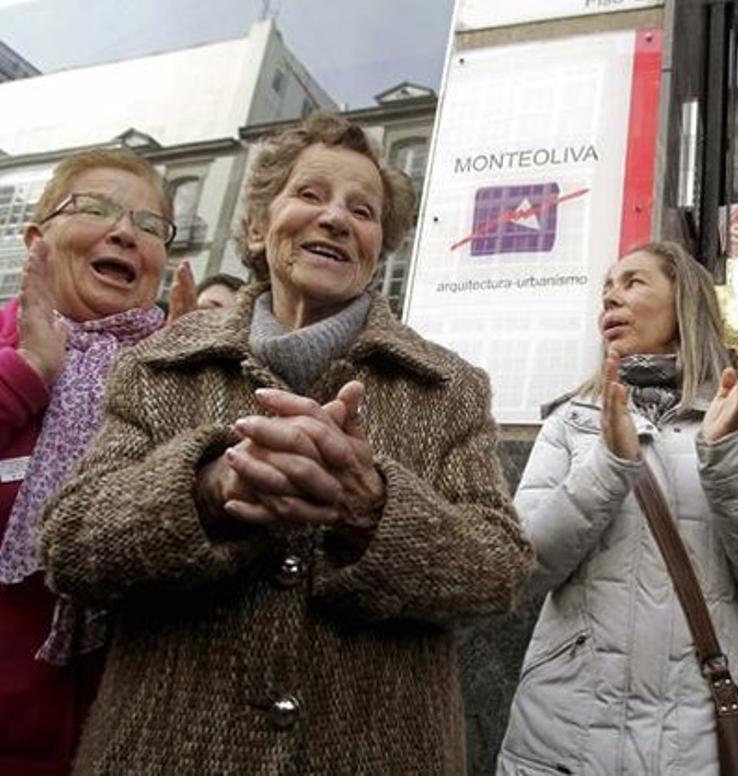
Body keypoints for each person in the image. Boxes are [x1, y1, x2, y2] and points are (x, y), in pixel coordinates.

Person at [38, 111, 533, 775]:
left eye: (362, 210)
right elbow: (72, 547)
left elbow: (498, 571)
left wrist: (374, 509)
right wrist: (209, 491)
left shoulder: (447, 388)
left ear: (378, 246)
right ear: (255, 226)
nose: (335, 218)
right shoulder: (158, 365)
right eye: (309, 194)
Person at [496, 241, 738, 775]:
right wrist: (609, 465)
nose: (611, 298)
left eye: (633, 282)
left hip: (701, 734)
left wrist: (725, 452)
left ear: (684, 300)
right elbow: (520, 566)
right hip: (564, 731)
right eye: (606, 290)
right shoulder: (573, 418)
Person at [0, 148, 172, 774]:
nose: (125, 232)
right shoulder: (6, 354)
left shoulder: (169, 379)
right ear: (38, 238)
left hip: (122, 744)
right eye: (96, 208)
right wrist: (27, 372)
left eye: (149, 226)